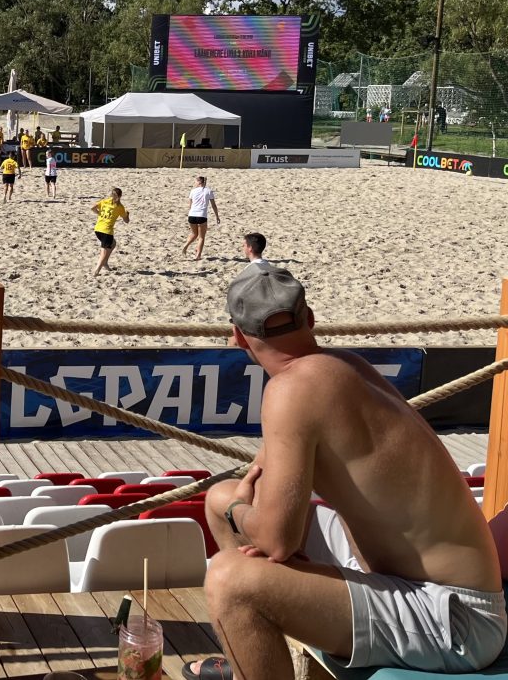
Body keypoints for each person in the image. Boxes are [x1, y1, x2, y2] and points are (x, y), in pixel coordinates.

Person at [184, 266, 506, 680]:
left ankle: (253, 636)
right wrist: (243, 509)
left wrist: (241, 514)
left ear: (238, 337)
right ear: (311, 319)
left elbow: (278, 541)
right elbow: (276, 515)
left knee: (229, 579)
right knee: (220, 497)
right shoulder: (342, 365)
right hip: (413, 580)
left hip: (455, 619)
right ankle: (257, 654)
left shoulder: (290, 390)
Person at [91, 187, 129, 276]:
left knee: (113, 243)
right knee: (104, 251)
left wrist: (99, 213)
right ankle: (97, 270)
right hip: (106, 231)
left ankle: (105, 263)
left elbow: (92, 208)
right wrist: (127, 214)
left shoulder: (105, 201)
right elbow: (126, 221)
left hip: (97, 229)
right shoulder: (120, 207)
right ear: (120, 196)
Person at [182, 175, 220, 261]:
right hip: (201, 215)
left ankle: (186, 245)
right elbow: (213, 205)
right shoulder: (209, 191)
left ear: (199, 182)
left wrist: (190, 213)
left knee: (194, 233)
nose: (194, 183)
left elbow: (190, 205)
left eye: (195, 181)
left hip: (191, 215)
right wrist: (217, 216)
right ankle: (198, 255)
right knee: (201, 237)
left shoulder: (193, 191)